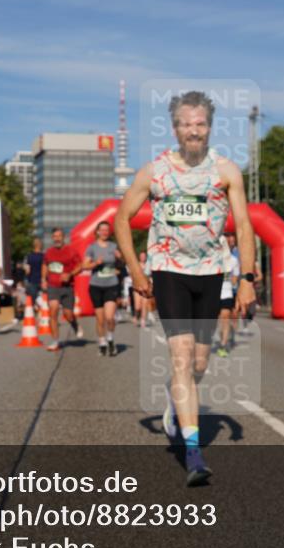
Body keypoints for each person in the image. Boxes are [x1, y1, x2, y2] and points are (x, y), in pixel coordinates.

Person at [115, 90, 256, 487]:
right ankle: (194, 453)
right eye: (185, 124)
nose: (193, 131)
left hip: (211, 272)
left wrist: (245, 280)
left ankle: (174, 402)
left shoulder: (227, 171)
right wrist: (137, 271)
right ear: (174, 127)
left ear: (209, 126)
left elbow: (244, 227)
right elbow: (123, 218)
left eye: (200, 124)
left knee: (198, 365)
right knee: (180, 358)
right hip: (169, 270)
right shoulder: (154, 171)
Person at [83, 221, 123, 356]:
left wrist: (120, 258)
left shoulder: (114, 246)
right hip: (96, 286)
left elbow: (123, 262)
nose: (105, 232)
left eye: (107, 230)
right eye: (102, 230)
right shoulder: (92, 247)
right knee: (100, 320)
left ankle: (110, 339)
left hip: (111, 284)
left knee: (110, 317)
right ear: (97, 232)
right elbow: (85, 266)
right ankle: (102, 342)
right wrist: (95, 263)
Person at [42, 227, 83, 351]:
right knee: (53, 311)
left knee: (68, 315)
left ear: (63, 237)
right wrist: (43, 279)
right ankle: (55, 341)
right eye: (55, 236)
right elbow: (45, 265)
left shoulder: (71, 251)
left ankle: (75, 324)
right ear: (52, 238)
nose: (57, 239)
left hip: (67, 287)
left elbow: (80, 266)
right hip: (53, 286)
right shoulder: (49, 252)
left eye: (59, 236)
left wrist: (70, 274)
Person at [215, 234, 239, 357]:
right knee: (219, 319)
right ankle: (222, 338)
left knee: (225, 317)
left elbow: (235, 279)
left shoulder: (234, 261)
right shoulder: (213, 259)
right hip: (214, 293)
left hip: (227, 292)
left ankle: (223, 344)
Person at [24, 238, 45, 303]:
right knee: (44, 300)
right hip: (43, 281)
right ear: (41, 246)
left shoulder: (29, 256)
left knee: (32, 301)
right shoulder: (44, 256)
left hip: (32, 281)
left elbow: (27, 271)